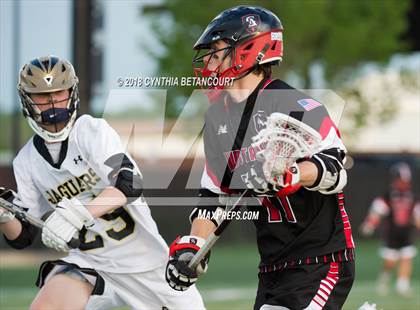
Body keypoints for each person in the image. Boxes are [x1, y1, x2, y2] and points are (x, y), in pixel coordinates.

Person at [165, 6, 355, 310]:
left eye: (217, 51)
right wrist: (194, 248)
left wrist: (293, 174)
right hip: (271, 267)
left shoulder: (293, 104)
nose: (209, 61)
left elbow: (336, 169)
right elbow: (213, 198)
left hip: (321, 260)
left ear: (248, 50)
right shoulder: (217, 120)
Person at [0, 55, 204, 310]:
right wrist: (6, 216)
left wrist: (78, 215)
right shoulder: (26, 161)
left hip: (146, 264)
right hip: (89, 263)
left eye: (59, 93)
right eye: (42, 96)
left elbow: (129, 183)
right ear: (27, 100)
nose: (52, 103)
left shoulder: (91, 131)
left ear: (71, 93)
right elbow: (23, 237)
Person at [360, 162, 420, 297]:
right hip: (392, 232)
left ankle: (402, 285)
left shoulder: (412, 196)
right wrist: (370, 224)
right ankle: (384, 277)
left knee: (406, 257)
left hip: (407, 232)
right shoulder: (388, 194)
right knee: (390, 261)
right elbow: (378, 210)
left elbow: (416, 213)